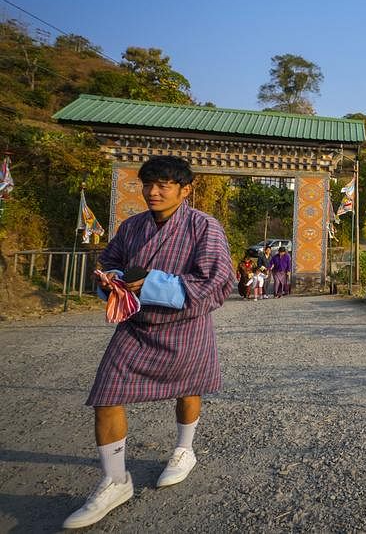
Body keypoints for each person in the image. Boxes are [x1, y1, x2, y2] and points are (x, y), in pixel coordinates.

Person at [63, 155, 234, 529]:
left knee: (189, 389)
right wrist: (109, 280)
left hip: (186, 324)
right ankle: (114, 480)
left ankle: (184, 449)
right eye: (147, 184)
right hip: (136, 325)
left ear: (186, 190)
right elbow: (109, 261)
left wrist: (154, 283)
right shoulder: (131, 227)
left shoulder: (205, 227)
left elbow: (218, 283)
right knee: (106, 394)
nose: (153, 192)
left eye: (164, 185)